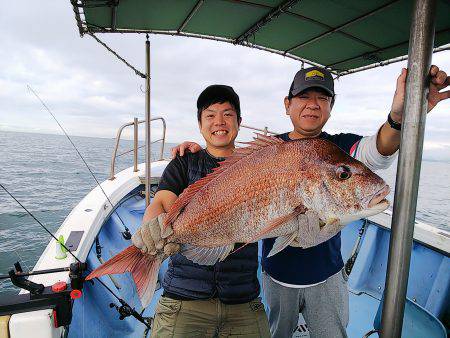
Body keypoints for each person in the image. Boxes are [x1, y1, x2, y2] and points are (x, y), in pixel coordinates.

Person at [170, 65, 449, 338]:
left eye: (323, 98)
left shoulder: (338, 147)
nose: (313, 105)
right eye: (304, 97)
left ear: (331, 106)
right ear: (287, 104)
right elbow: (225, 165)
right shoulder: (268, 151)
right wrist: (191, 148)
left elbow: (379, 148)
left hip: (327, 277)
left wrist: (400, 116)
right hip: (276, 278)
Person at [131, 85, 271, 338]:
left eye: (228, 114)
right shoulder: (184, 161)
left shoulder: (258, 165)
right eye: (210, 115)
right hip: (183, 299)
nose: (219, 121)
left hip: (243, 299)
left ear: (239, 122)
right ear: (199, 123)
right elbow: (162, 201)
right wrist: (151, 228)